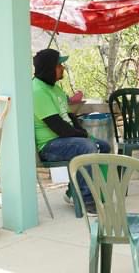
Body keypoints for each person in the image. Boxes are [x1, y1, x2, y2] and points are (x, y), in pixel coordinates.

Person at [33, 48, 111, 215]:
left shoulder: (56, 89)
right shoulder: (37, 91)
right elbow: (58, 127)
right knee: (86, 147)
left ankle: (72, 192)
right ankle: (87, 201)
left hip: (64, 140)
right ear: (49, 68)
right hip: (50, 146)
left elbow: (69, 117)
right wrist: (84, 137)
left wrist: (85, 133)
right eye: (59, 65)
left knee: (103, 146)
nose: (63, 68)